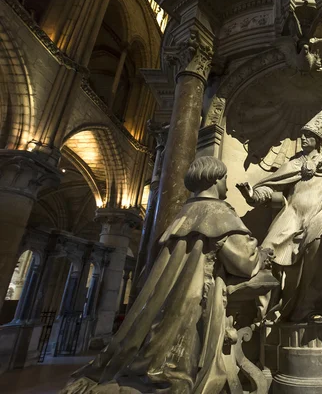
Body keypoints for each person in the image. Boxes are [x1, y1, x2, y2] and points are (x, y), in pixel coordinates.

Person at [61, 156, 274, 394]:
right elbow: (245, 262)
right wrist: (263, 254)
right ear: (214, 179)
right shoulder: (218, 212)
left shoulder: (184, 212)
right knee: (177, 375)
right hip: (195, 303)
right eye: (225, 178)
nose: (226, 184)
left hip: (165, 300)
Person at [238, 108, 322, 323]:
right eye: (302, 135)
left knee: (321, 246)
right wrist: (252, 195)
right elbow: (272, 186)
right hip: (292, 216)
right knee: (266, 252)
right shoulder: (294, 164)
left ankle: (310, 308)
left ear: (318, 139)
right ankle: (265, 315)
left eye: (308, 136)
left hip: (321, 215)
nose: (303, 139)